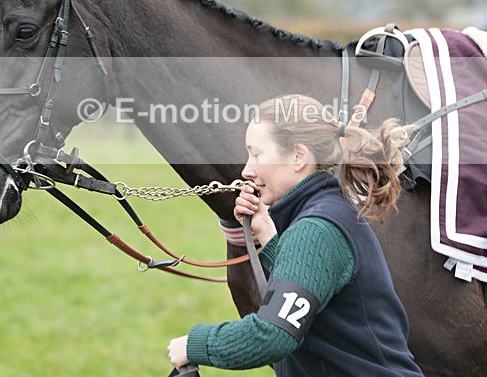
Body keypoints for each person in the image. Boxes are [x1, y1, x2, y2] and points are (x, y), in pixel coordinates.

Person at [168, 95, 423, 376]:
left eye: (257, 154)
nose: (246, 170)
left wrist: (194, 344)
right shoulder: (329, 208)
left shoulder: (316, 229)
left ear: (299, 156)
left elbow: (272, 335)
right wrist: (267, 233)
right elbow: (315, 293)